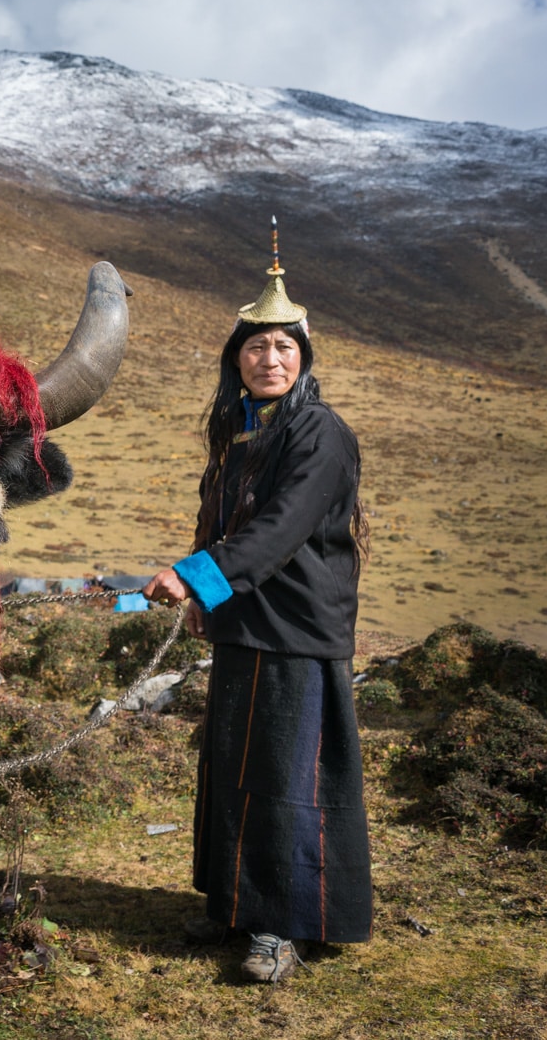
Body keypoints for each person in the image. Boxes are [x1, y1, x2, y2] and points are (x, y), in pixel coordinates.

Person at [142, 230, 372, 984]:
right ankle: (234, 905)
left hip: (299, 631)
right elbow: (225, 524)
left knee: (286, 781)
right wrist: (203, 591)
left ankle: (284, 927)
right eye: (254, 346)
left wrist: (196, 577)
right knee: (233, 773)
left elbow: (278, 531)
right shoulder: (240, 430)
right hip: (247, 625)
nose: (268, 359)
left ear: (303, 356)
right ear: (234, 356)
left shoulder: (321, 432)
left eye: (282, 346)